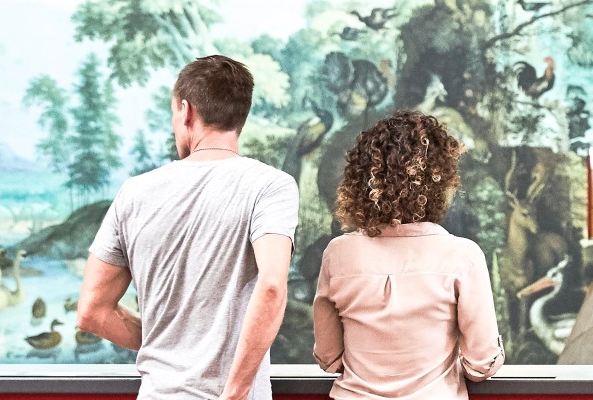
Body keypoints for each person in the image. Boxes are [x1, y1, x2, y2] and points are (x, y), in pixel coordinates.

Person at [78, 55, 298, 400]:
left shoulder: (134, 192)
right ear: (240, 115)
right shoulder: (271, 186)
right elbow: (271, 287)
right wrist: (235, 393)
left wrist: (170, 342)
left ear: (186, 111)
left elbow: (92, 311)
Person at [312, 110, 502, 399]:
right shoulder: (464, 256)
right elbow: (481, 364)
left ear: (363, 179)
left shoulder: (338, 253)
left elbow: (329, 358)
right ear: (440, 182)